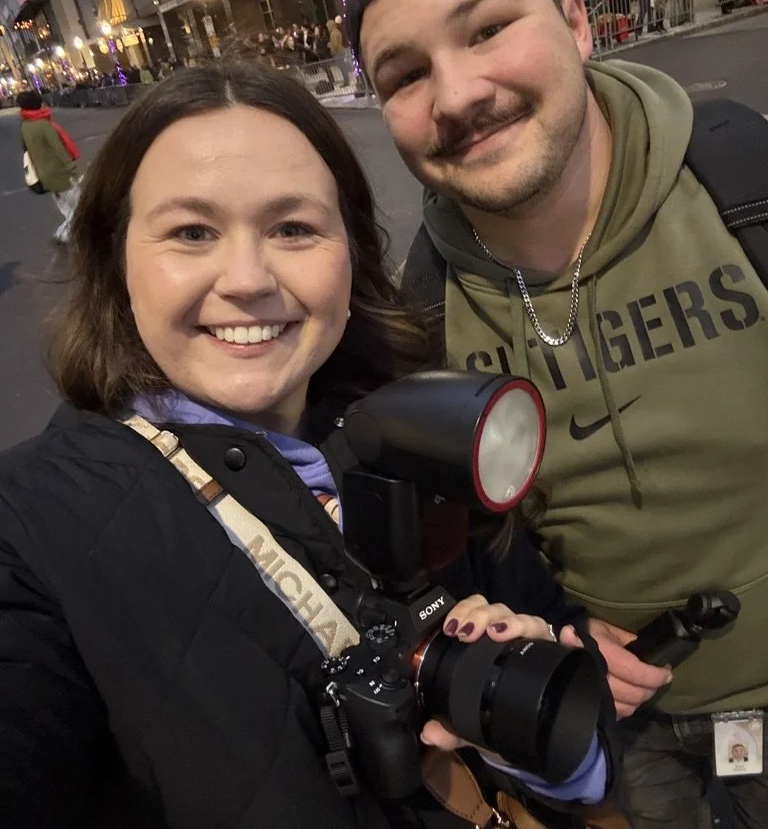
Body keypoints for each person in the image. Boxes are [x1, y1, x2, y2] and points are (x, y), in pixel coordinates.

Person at [0, 61, 616, 828]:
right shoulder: (33, 530)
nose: (249, 279)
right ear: (116, 257)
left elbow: (583, 731)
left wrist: (545, 730)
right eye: (192, 232)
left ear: (350, 250)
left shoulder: (414, 429)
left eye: (293, 228)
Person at [346, 0, 768, 829]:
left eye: (489, 28)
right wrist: (557, 634)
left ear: (577, 20)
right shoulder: (423, 317)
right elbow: (484, 562)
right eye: (404, 75)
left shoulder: (743, 180)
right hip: (636, 738)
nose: (456, 96)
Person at [17, 88, 81, 245]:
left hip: (44, 173)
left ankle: (64, 231)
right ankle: (66, 233)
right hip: (59, 172)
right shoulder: (43, 125)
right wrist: (71, 167)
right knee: (79, 204)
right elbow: (58, 148)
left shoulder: (25, 126)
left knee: (64, 204)